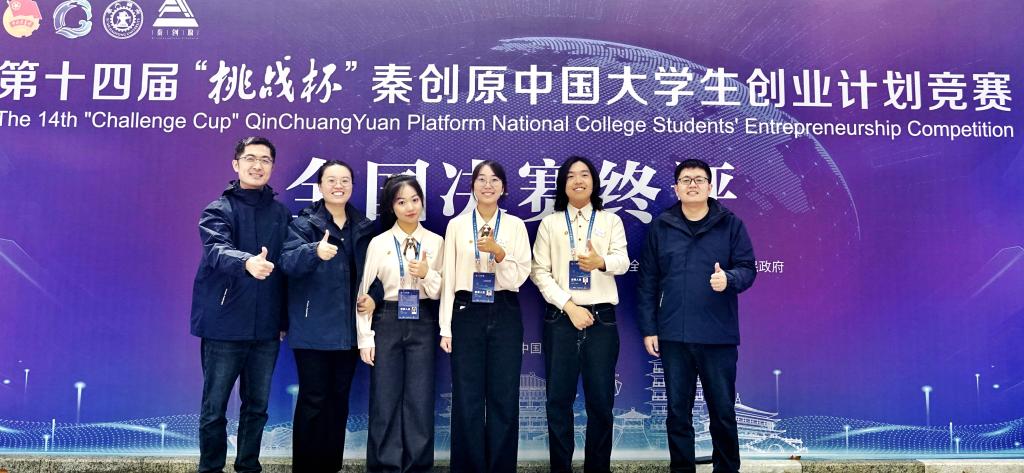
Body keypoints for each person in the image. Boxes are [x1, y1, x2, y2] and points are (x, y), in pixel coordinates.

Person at [637, 158, 756, 473]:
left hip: (718, 335)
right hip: (674, 334)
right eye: (685, 180)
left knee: (722, 412)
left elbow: (748, 269)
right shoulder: (662, 226)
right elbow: (648, 280)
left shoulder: (731, 224)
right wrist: (649, 328)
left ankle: (727, 469)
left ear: (710, 186)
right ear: (676, 188)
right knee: (678, 413)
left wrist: (729, 278)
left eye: (699, 179)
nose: (692, 185)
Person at [189, 136, 290, 473]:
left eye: (265, 160)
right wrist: (247, 262)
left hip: (265, 329)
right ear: (236, 164)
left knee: (257, 407)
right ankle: (210, 468)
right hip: (223, 326)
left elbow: (286, 269)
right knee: (214, 408)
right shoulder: (218, 210)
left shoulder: (280, 214)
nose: (257, 165)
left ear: (272, 166)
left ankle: (248, 467)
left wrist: (283, 320)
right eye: (250, 158)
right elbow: (216, 250)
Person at [530, 156, 629, 473]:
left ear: (594, 182)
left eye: (584, 175)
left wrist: (601, 262)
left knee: (601, 403)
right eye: (571, 176)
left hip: (601, 320)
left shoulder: (610, 221)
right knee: (558, 402)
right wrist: (569, 306)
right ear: (563, 184)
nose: (578, 180)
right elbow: (538, 271)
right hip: (561, 318)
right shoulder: (551, 224)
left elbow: (623, 262)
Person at [279, 160, 378, 472]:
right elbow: (286, 263)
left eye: (345, 180)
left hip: (349, 331)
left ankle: (330, 467)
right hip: (313, 329)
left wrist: (374, 297)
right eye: (331, 180)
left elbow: (377, 273)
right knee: (313, 400)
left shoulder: (364, 227)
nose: (339, 186)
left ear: (352, 186)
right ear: (320, 186)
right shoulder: (303, 225)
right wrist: (313, 252)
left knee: (338, 401)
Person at [439, 160, 532, 473]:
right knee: (467, 395)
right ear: (472, 186)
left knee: (504, 395)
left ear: (503, 187)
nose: (487, 185)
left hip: (505, 308)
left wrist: (499, 253)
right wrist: (445, 327)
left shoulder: (515, 226)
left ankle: (500, 467)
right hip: (467, 310)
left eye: (494, 180)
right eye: (481, 179)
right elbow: (449, 279)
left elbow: (519, 277)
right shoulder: (457, 226)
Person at [357, 174, 444, 473]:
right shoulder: (379, 243)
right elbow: (365, 292)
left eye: (415, 200)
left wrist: (426, 274)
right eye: (401, 201)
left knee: (420, 398)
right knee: (385, 397)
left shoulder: (436, 242)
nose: (410, 207)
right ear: (391, 206)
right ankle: (385, 466)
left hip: (423, 318)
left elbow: (441, 291)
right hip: (387, 319)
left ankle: (418, 466)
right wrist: (365, 337)